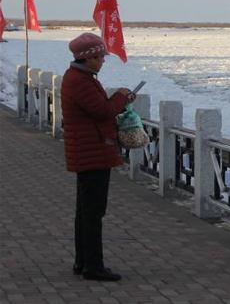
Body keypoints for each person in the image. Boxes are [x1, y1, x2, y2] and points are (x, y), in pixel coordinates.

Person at [61, 33, 134, 282]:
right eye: (100, 56)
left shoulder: (80, 78)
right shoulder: (80, 81)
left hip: (88, 151)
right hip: (92, 152)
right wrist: (121, 98)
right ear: (88, 58)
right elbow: (102, 112)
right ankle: (93, 266)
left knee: (86, 211)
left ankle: (83, 262)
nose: (103, 60)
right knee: (92, 212)